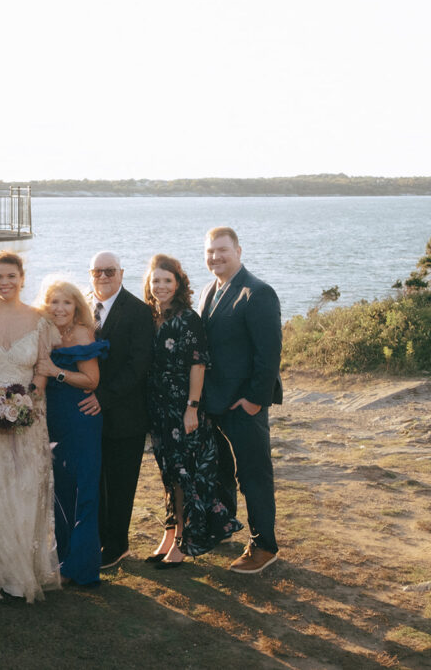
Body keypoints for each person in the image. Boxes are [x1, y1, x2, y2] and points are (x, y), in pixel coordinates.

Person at [0, 251, 60, 604]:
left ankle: (26, 570)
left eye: (11, 276)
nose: (4, 282)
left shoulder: (40, 320)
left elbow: (42, 369)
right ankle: (2, 572)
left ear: (22, 278)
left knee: (26, 488)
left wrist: (27, 402)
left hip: (30, 418)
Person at [143, 254, 242, 569]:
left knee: (187, 476)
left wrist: (192, 409)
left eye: (167, 281)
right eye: (156, 280)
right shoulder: (150, 316)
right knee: (169, 475)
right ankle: (171, 532)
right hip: (157, 409)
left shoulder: (187, 318)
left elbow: (198, 365)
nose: (161, 286)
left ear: (178, 283)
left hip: (183, 409)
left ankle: (185, 542)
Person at [197, 227, 283, 574]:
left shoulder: (258, 293)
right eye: (210, 251)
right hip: (214, 401)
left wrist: (253, 401)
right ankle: (223, 525)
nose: (216, 257)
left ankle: (264, 545)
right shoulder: (208, 291)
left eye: (222, 250)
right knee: (221, 472)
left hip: (243, 405)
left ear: (239, 251)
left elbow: (269, 353)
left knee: (254, 475)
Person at [34, 280, 109, 587]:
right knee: (61, 494)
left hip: (81, 419)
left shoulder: (81, 334)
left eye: (66, 302)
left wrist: (57, 372)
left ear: (77, 306)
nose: (59, 308)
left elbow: (91, 380)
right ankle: (64, 559)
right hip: (54, 422)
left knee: (84, 491)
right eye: (53, 302)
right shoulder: (46, 334)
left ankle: (82, 567)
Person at [83, 251, 154, 569]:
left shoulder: (138, 312)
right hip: (87, 415)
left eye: (109, 271)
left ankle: (118, 545)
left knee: (121, 483)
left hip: (125, 414)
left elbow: (138, 365)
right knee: (96, 480)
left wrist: (104, 398)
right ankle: (99, 539)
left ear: (122, 273)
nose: (103, 276)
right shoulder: (84, 307)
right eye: (97, 271)